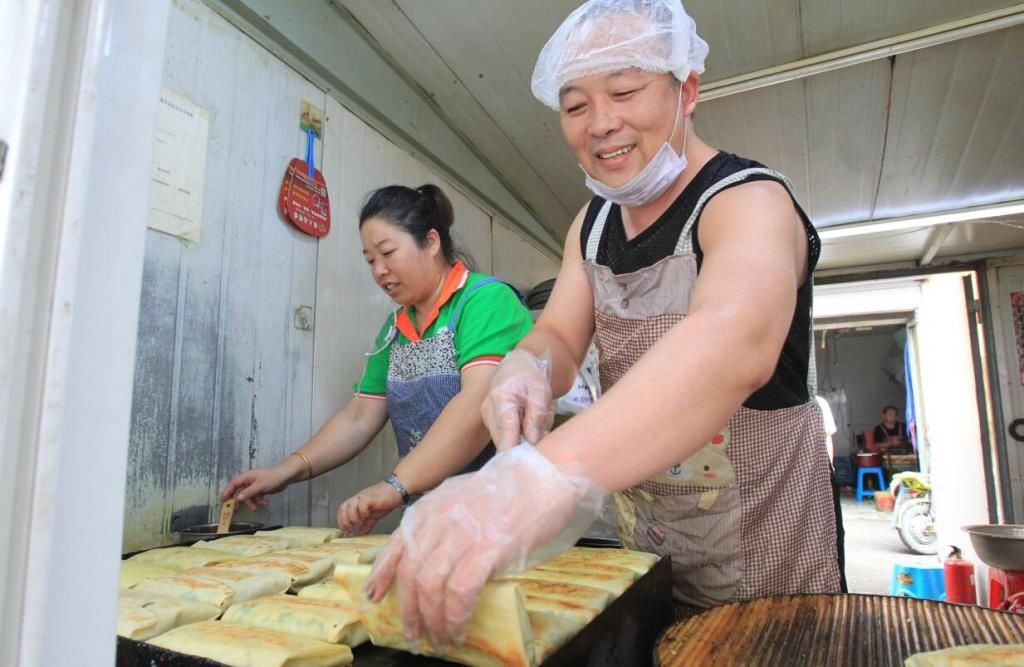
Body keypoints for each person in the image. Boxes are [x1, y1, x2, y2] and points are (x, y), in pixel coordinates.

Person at [365, 0, 844, 643]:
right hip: (648, 556)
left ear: (687, 90)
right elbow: (558, 333)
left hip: (766, 560)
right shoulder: (591, 227)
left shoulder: (748, 200)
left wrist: (537, 482)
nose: (602, 124)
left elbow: (735, 341)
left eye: (624, 90)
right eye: (575, 106)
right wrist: (526, 368)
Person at [220, 184, 532, 535]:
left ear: (431, 242)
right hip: (434, 520)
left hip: (503, 516)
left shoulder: (485, 301)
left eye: (388, 253)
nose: (379, 271)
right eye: (371, 261)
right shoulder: (395, 329)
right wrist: (286, 470)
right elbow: (358, 418)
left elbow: (476, 404)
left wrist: (396, 486)